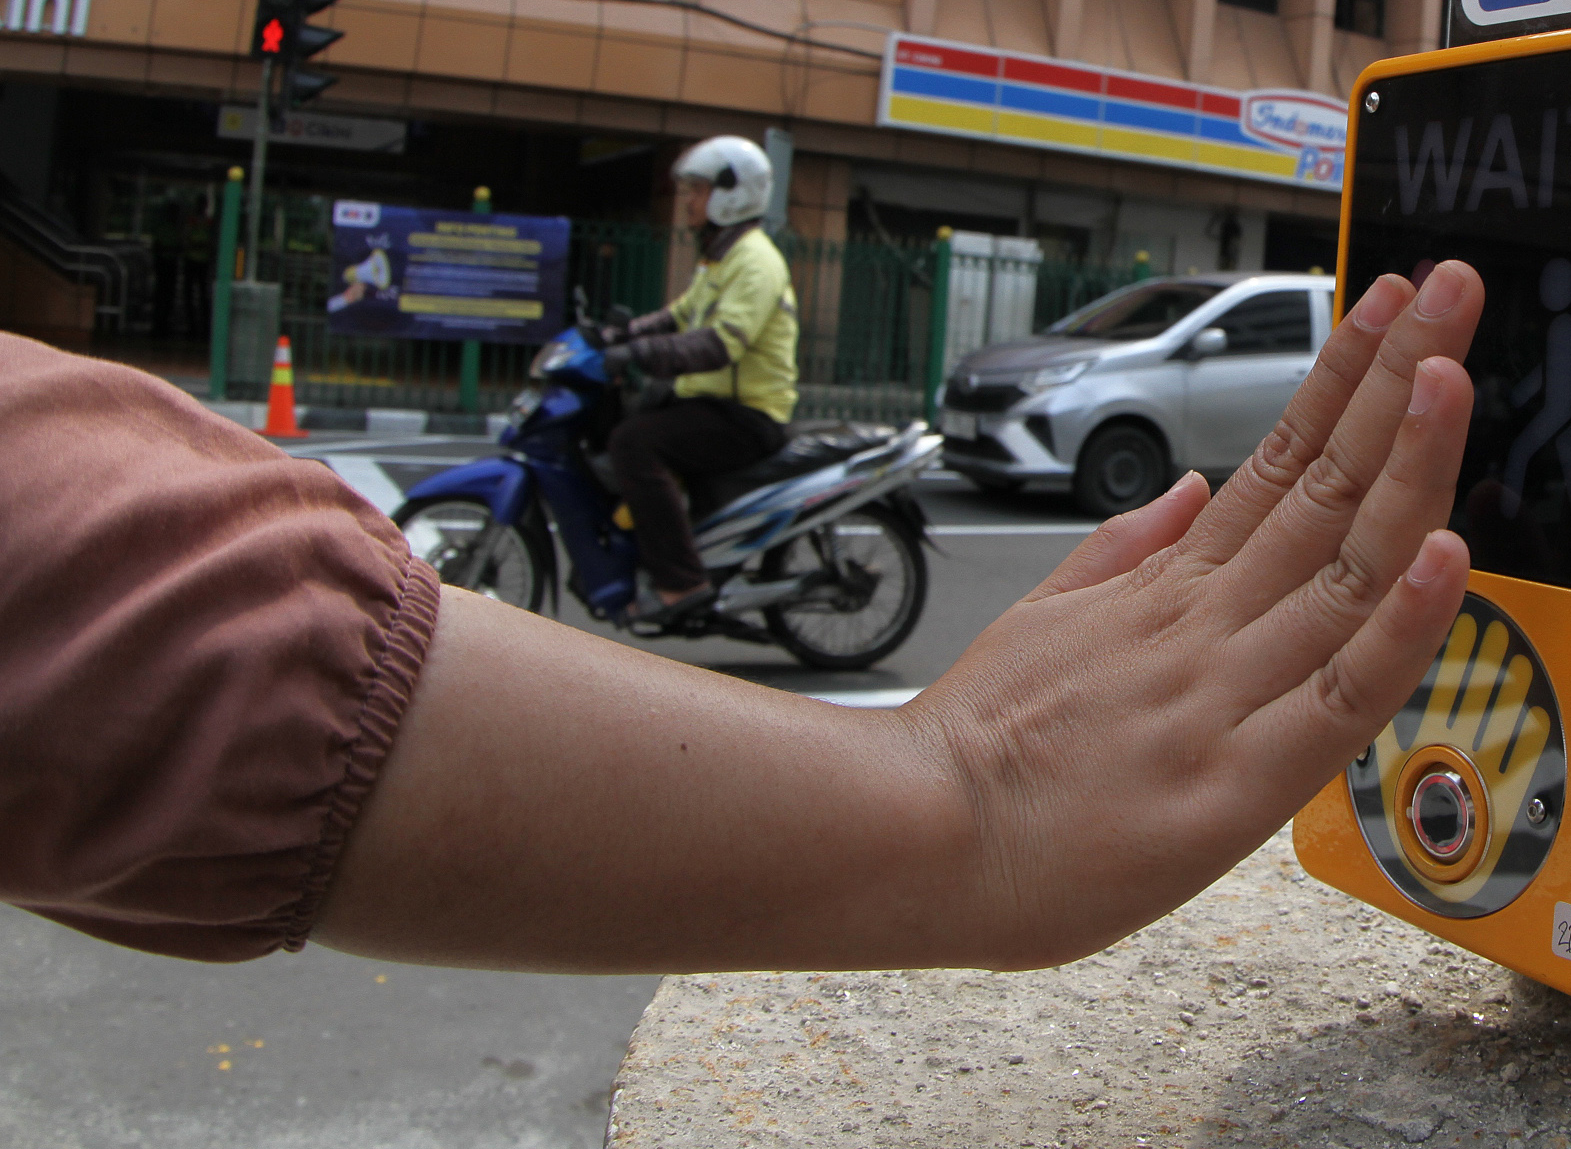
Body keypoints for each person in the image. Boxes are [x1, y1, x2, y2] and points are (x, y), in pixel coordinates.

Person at [0, 262, 1485, 973]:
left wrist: (973, 799)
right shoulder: (713, 247)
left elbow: (132, 610)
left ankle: (695, 584)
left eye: (709, 194)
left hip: (750, 430)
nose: (701, 208)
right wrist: (958, 798)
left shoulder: (762, 262)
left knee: (642, 452)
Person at [599, 137, 800, 623]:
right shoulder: (719, 258)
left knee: (634, 443)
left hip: (748, 414)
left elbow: (720, 344)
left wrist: (639, 353)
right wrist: (622, 334)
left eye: (696, 190)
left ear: (731, 194)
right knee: (625, 418)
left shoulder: (755, 260)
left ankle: (680, 583)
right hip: (712, 402)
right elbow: (680, 314)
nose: (686, 201)